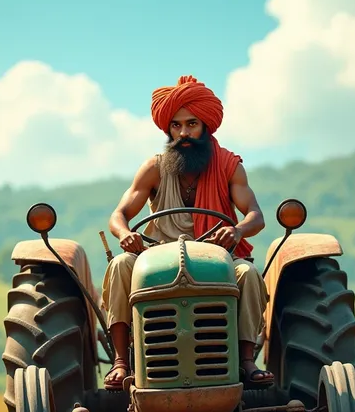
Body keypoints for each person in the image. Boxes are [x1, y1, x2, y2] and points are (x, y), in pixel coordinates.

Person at [102, 75, 274, 390]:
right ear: (168, 129)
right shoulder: (154, 167)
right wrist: (125, 234)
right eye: (177, 126)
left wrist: (236, 230)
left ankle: (247, 361)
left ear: (206, 126)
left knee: (248, 273)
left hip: (218, 261)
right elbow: (119, 214)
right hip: (157, 262)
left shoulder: (228, 166)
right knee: (120, 265)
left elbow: (256, 216)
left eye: (192, 124)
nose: (184, 133)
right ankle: (121, 361)